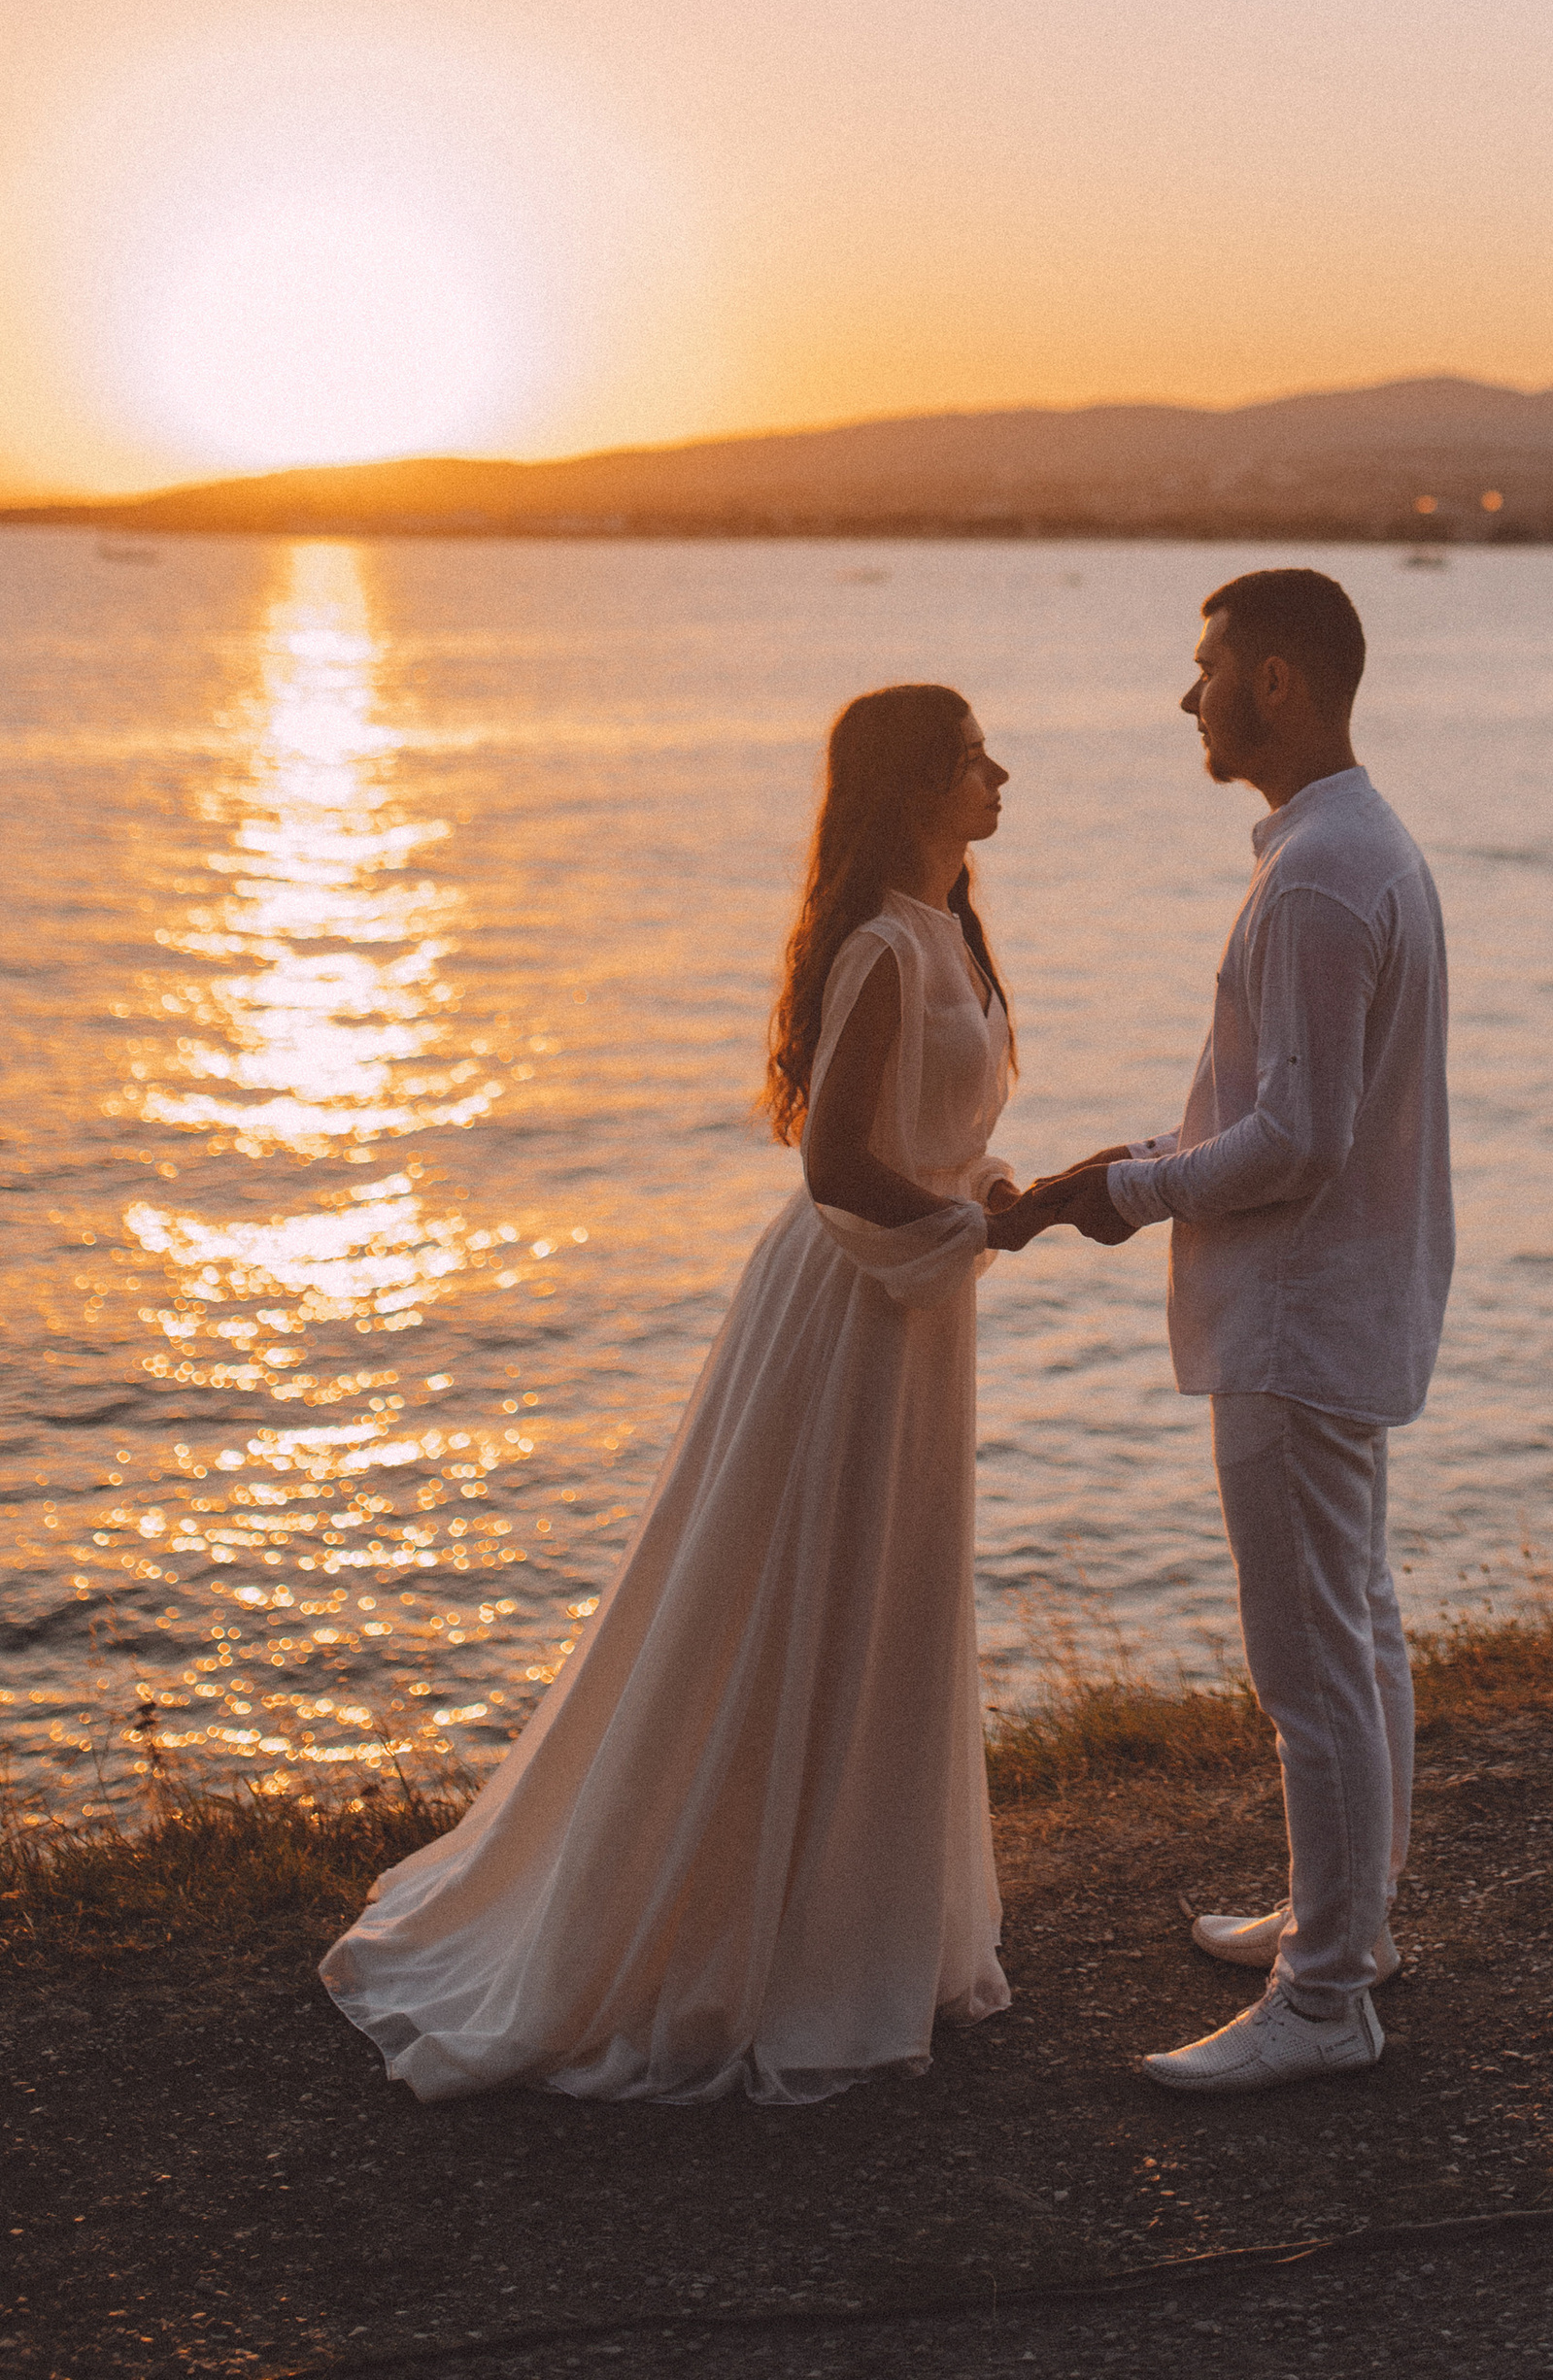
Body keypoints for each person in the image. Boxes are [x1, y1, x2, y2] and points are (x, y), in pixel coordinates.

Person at [321, 684, 1048, 2104]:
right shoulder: (882, 949)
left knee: (893, 1592)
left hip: (919, 1301)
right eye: (975, 759)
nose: (1000, 775)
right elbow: (836, 1166)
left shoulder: (954, 933)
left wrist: (999, 1194)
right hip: (851, 1304)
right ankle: (752, 1930)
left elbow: (933, 1139)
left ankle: (866, 1919)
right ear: (915, 786)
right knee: (804, 1588)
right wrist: (970, 1223)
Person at [1023, 567, 1453, 2095]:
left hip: (1295, 1312)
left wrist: (1129, 1190)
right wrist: (1128, 1168)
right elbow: (1296, 1115)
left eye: (1207, 666)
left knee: (1311, 1663)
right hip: (1338, 1300)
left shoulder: (1324, 874)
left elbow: (1298, 1139)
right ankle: (1350, 1926)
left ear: (1276, 681)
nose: (1187, 695)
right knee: (1358, 1626)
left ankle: (1324, 1999)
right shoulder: (1352, 844)